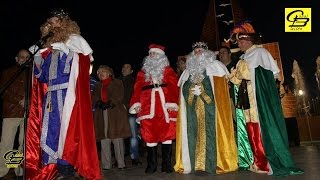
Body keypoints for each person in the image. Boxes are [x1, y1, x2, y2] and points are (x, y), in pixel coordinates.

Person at [26, 8, 101, 179]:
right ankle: (58, 167)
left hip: (68, 94)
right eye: (49, 23)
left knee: (68, 130)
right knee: (52, 131)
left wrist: (68, 51)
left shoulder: (74, 40)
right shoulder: (50, 49)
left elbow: (84, 64)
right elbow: (43, 76)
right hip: (51, 97)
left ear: (63, 22)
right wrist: (38, 57)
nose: (51, 25)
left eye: (54, 22)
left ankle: (69, 167)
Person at [227, 22, 304, 176]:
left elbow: (272, 76)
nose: (239, 44)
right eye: (239, 41)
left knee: (261, 128)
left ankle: (268, 162)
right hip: (246, 99)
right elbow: (236, 79)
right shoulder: (243, 57)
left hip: (258, 99)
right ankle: (258, 161)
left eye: (241, 41)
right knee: (251, 129)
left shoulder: (261, 53)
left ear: (249, 41)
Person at [174, 42, 238, 174]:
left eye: (200, 50)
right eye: (195, 51)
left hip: (211, 110)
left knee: (211, 134)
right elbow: (183, 89)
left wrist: (203, 92)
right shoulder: (188, 71)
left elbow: (219, 90)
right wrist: (191, 90)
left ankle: (211, 164)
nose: (198, 53)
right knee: (194, 135)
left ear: (207, 53)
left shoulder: (216, 66)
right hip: (192, 112)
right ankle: (196, 165)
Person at [129, 44, 179, 173]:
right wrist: (136, 103)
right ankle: (151, 165)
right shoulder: (142, 72)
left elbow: (173, 87)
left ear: (161, 57)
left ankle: (166, 164)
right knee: (149, 135)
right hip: (147, 107)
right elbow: (137, 89)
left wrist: (172, 104)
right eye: (150, 54)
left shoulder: (168, 71)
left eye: (154, 54)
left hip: (165, 108)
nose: (151, 56)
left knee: (167, 134)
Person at [92, 65, 131, 170]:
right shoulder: (97, 85)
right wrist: (98, 102)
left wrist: (110, 102)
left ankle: (121, 164)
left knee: (117, 138)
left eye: (103, 71)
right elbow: (94, 97)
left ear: (109, 73)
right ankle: (106, 165)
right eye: (99, 73)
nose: (101, 74)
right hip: (102, 114)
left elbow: (119, 95)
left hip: (115, 113)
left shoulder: (117, 82)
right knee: (104, 139)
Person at [0, 49, 30, 178]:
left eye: (27, 57)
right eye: (21, 57)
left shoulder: (32, 73)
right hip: (11, 112)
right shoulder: (8, 72)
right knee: (7, 142)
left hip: (27, 113)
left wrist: (28, 101)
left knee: (23, 143)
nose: (24, 58)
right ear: (16, 59)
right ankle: (3, 170)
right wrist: (19, 100)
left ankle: (19, 170)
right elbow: (4, 90)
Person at [119, 63, 142, 166]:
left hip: (130, 112)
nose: (124, 68)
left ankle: (134, 157)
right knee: (120, 135)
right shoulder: (117, 81)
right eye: (123, 67)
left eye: (127, 67)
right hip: (119, 112)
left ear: (131, 71)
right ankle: (121, 157)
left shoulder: (133, 81)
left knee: (133, 135)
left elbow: (134, 96)